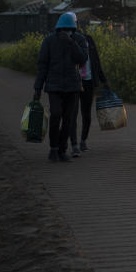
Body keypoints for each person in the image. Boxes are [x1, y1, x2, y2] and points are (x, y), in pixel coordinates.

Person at [34, 12, 87, 162]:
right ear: (58, 28)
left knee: (68, 119)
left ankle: (63, 150)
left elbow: (83, 59)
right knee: (56, 114)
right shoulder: (49, 41)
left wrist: (71, 43)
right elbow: (42, 65)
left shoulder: (79, 40)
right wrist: (38, 88)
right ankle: (53, 148)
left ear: (74, 29)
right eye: (63, 29)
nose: (66, 31)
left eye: (69, 28)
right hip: (54, 85)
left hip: (73, 86)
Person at [69, 18, 110, 157]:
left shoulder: (89, 40)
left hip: (88, 82)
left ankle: (83, 140)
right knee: (72, 114)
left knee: (86, 113)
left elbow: (96, 61)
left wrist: (104, 80)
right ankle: (74, 144)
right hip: (73, 83)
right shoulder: (68, 40)